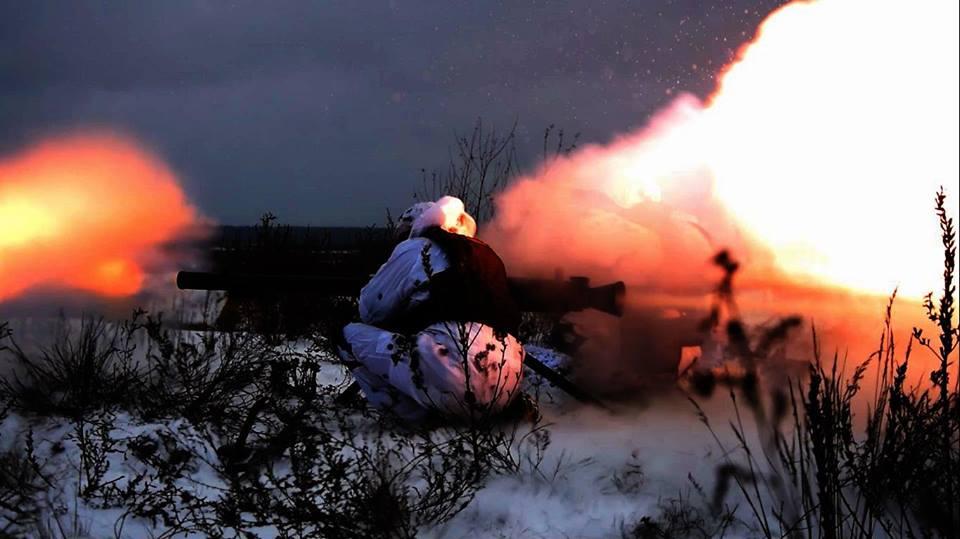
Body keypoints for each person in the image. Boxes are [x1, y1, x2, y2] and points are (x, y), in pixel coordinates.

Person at [339, 196, 525, 422]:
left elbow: (371, 310)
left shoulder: (417, 248)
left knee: (345, 335)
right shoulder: (484, 253)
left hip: (449, 375)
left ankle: (417, 420)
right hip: (507, 382)